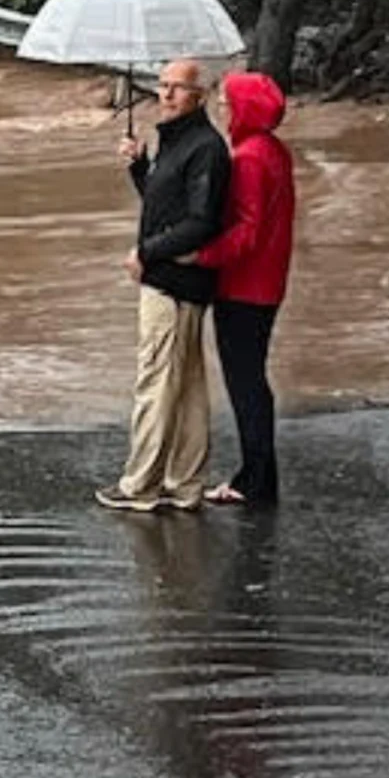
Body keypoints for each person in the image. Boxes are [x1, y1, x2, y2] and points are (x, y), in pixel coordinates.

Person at [97, 58, 230, 513]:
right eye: (163, 86)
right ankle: (185, 483)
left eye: (178, 88)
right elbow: (164, 206)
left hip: (173, 285)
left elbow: (200, 222)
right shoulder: (174, 141)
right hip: (177, 282)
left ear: (201, 95)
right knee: (187, 385)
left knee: (155, 382)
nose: (167, 95)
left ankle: (140, 486)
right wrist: (140, 168)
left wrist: (145, 254)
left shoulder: (205, 148)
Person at [192, 71, 295, 506]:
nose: (221, 107)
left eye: (227, 102)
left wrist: (200, 256)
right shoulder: (274, 150)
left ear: (245, 109)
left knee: (246, 383)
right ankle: (258, 475)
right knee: (253, 379)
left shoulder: (249, 157)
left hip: (244, 287)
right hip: (266, 283)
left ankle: (254, 480)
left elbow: (246, 231)